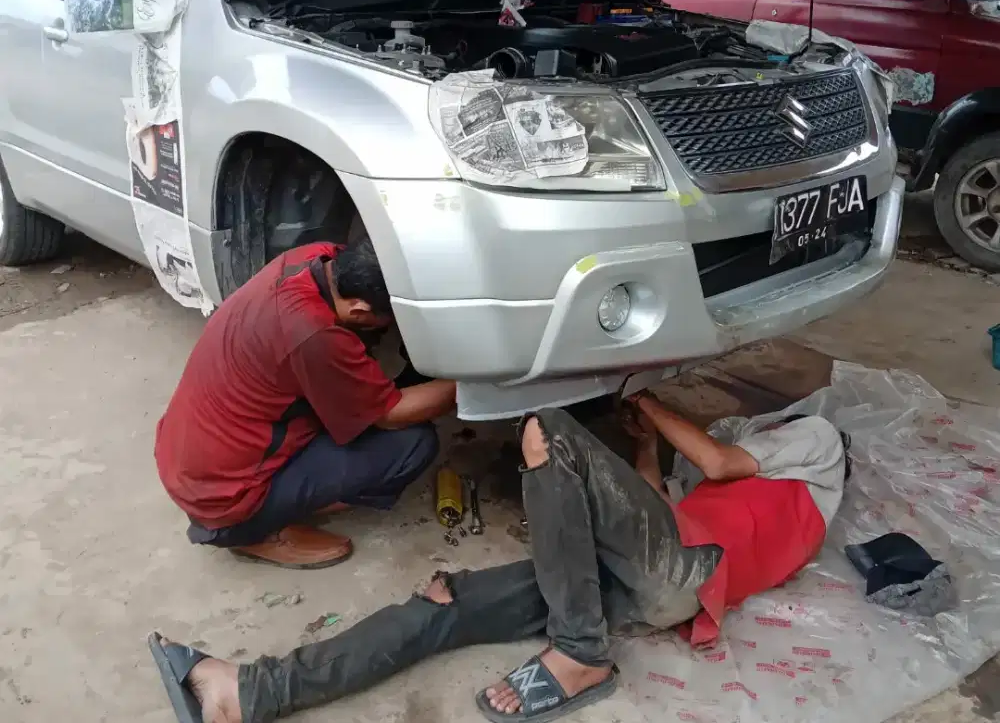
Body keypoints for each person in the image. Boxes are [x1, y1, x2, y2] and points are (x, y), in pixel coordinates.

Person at [150, 391, 850, 723]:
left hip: (690, 578)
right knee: (440, 605)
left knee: (549, 425)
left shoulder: (817, 440)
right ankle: (249, 692)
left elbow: (721, 462)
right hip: (641, 578)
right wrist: (643, 446)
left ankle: (580, 652)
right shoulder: (742, 479)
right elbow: (657, 517)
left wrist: (647, 396)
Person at [154, 237, 456, 570]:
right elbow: (390, 415)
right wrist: (473, 382)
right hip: (223, 498)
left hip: (189, 457)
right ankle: (254, 531)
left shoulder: (315, 256)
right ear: (359, 309)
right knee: (412, 443)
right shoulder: (313, 335)